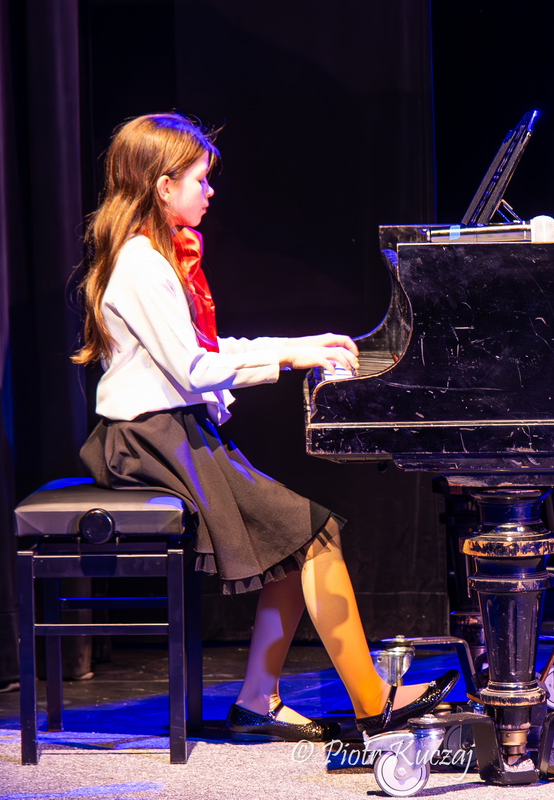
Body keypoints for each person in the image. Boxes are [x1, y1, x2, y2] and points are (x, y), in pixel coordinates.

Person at [72, 113, 457, 742]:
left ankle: (258, 700)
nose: (210, 190)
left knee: (297, 539)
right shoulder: (141, 263)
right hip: (152, 441)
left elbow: (205, 349)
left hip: (174, 432)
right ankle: (371, 699)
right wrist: (288, 359)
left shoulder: (155, 255)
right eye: (200, 179)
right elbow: (195, 368)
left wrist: (298, 344)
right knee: (314, 536)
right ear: (163, 186)